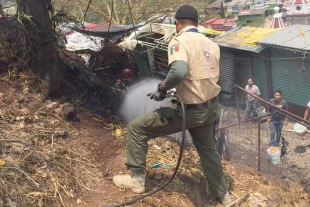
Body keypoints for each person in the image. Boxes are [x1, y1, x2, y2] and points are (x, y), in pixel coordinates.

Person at [112, 5, 231, 205]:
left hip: (190, 111)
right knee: (208, 151)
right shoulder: (211, 44)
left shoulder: (179, 41)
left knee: (136, 128)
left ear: (177, 23)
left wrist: (163, 88)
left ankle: (136, 180)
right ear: (197, 23)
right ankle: (223, 195)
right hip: (210, 109)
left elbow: (179, 72)